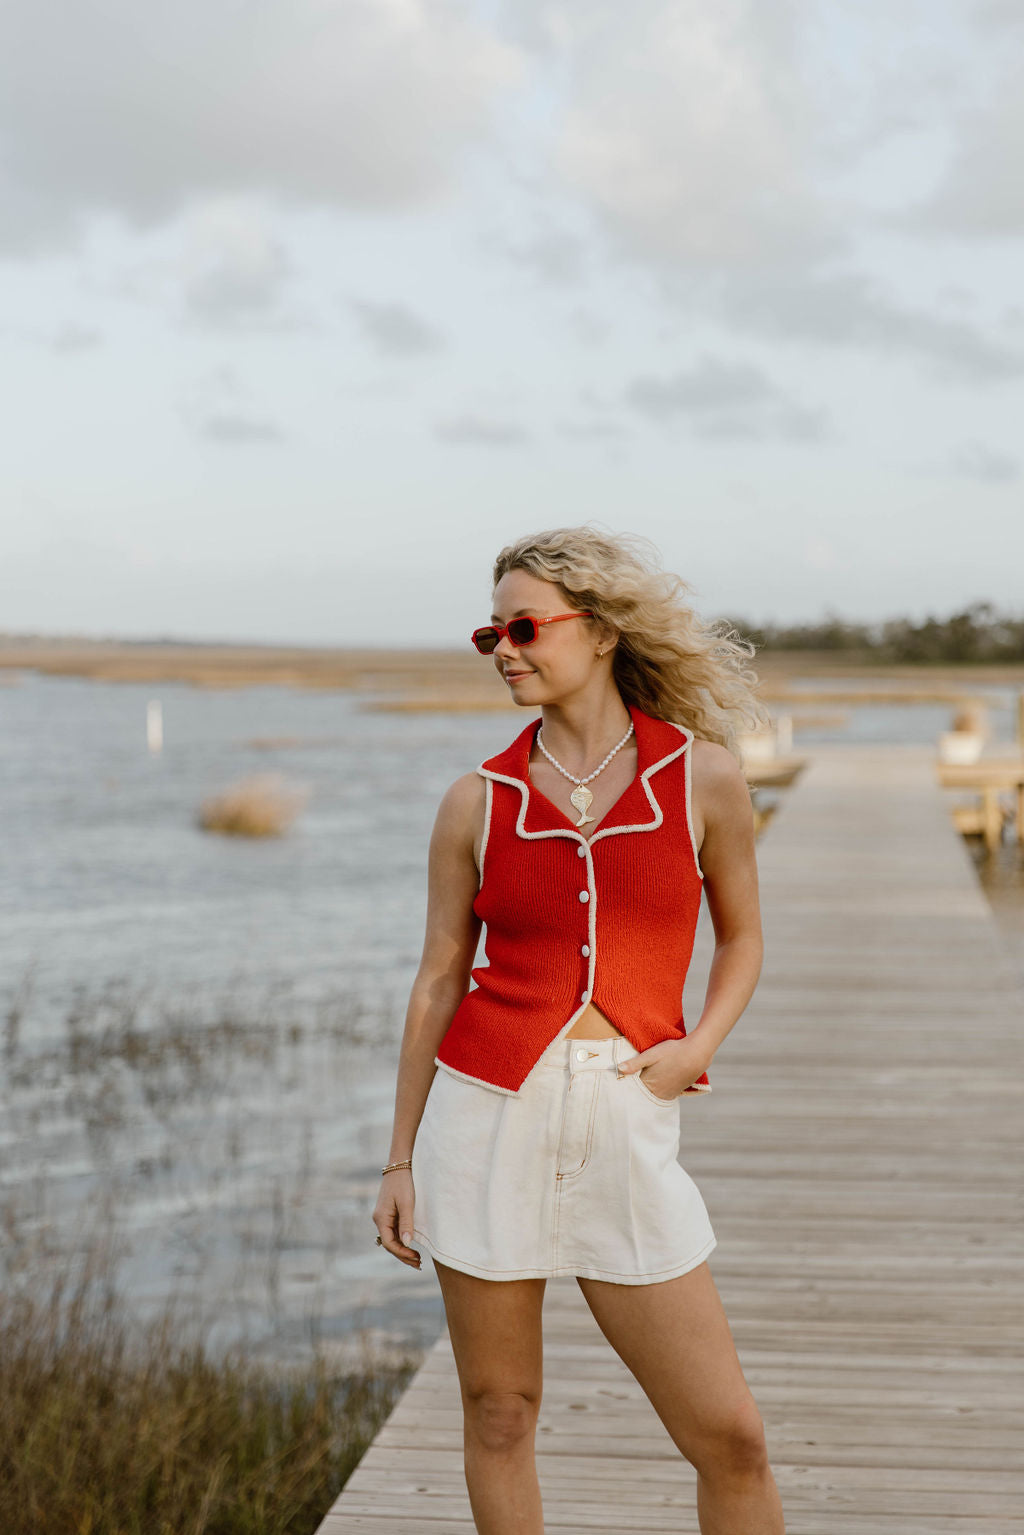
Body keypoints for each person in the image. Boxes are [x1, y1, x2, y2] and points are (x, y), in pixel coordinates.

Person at [373, 526, 786, 1534]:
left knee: (729, 1433)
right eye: (490, 634)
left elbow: (741, 939)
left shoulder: (703, 778)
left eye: (523, 627)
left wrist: (698, 1047)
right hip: (484, 1117)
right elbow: (437, 980)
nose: (504, 649)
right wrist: (397, 1160)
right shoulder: (478, 798)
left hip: (625, 1113)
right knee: (500, 1410)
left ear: (598, 630)